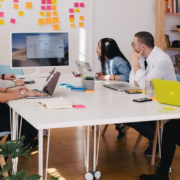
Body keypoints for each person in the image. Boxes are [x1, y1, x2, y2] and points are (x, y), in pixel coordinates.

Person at [125, 31, 176, 156]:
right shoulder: (143, 57)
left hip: (165, 101)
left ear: (142, 47)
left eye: (133, 44)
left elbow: (144, 84)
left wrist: (136, 64)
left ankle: (157, 140)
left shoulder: (161, 60)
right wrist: (138, 69)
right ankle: (155, 138)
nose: (132, 46)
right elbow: (132, 80)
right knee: (126, 114)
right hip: (150, 97)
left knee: (133, 117)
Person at [96, 38, 131, 139]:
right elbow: (108, 72)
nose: (97, 48)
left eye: (99, 46)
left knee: (107, 103)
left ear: (106, 49)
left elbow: (127, 76)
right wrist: (102, 73)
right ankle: (120, 124)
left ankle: (120, 125)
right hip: (112, 89)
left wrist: (109, 77)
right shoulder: (104, 59)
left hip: (122, 92)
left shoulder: (118, 60)